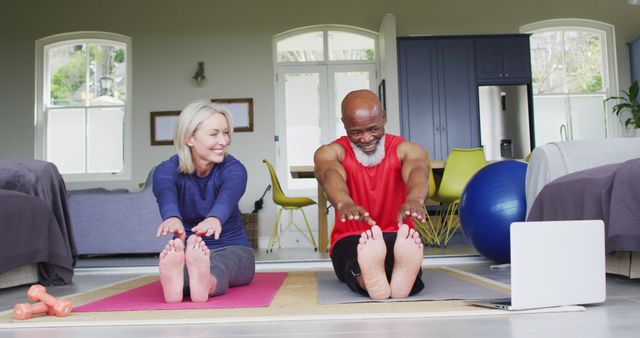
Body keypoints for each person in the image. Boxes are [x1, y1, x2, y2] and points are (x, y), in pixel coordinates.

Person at [314, 89, 430, 300]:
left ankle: (388, 278)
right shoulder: (331, 152)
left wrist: (415, 198)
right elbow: (329, 173)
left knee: (400, 250)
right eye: (356, 132)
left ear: (384, 117)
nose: (366, 138)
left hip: (398, 234)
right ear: (344, 124)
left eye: (374, 129)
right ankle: (371, 278)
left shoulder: (407, 149)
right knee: (354, 255)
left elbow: (417, 170)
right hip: (351, 236)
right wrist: (343, 202)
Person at [152, 99, 255, 303]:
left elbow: (230, 194)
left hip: (233, 247)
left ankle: (201, 282)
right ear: (190, 138)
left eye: (226, 133)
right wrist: (171, 217)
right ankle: (188, 279)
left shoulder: (235, 169)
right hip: (188, 247)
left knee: (217, 264)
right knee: (191, 263)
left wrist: (215, 218)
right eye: (214, 133)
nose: (224, 141)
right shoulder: (166, 170)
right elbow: (165, 191)